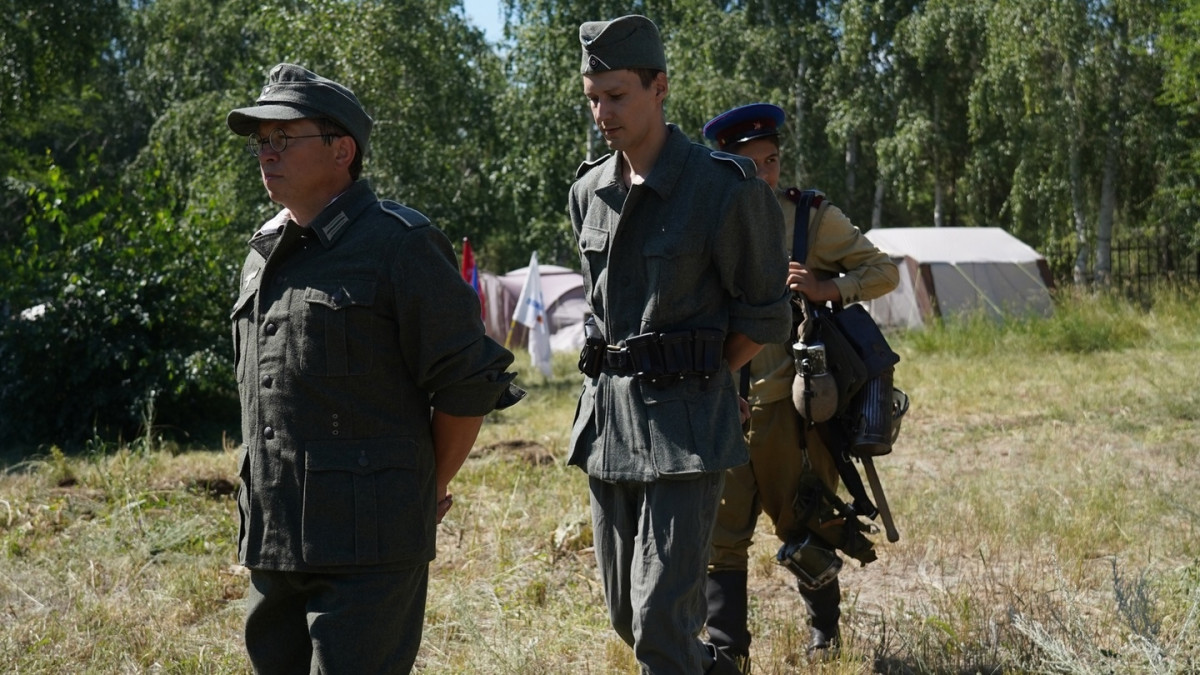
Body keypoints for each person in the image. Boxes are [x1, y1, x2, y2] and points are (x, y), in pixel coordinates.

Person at [226, 63, 523, 674]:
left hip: (369, 545)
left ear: (342, 151)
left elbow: (467, 384)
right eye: (261, 141)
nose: (267, 153)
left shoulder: (398, 244)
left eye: (284, 138)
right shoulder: (263, 252)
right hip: (273, 538)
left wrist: (428, 484)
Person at [567, 17, 793, 675]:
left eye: (617, 95)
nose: (603, 113)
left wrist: (712, 373)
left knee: (662, 625)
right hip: (609, 424)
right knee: (627, 616)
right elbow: (600, 308)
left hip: (686, 428)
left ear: (659, 87)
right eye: (593, 98)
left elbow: (766, 311)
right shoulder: (587, 192)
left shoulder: (723, 188)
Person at [700, 103, 900, 670]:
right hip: (722, 404)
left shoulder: (808, 218)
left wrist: (825, 288)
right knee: (720, 535)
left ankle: (825, 634)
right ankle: (728, 654)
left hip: (791, 412)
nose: (765, 174)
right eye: (752, 164)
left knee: (805, 521)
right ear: (726, 166)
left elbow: (883, 271)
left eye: (772, 161)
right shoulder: (703, 219)